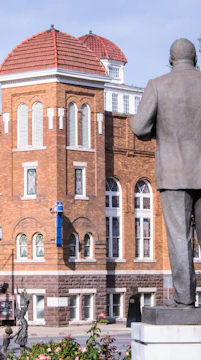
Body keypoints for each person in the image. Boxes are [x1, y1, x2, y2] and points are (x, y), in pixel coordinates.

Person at [129, 38, 201, 308]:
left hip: (173, 174)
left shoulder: (158, 85)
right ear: (195, 59)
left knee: (179, 235)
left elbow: (140, 128)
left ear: (170, 60)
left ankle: (184, 298)